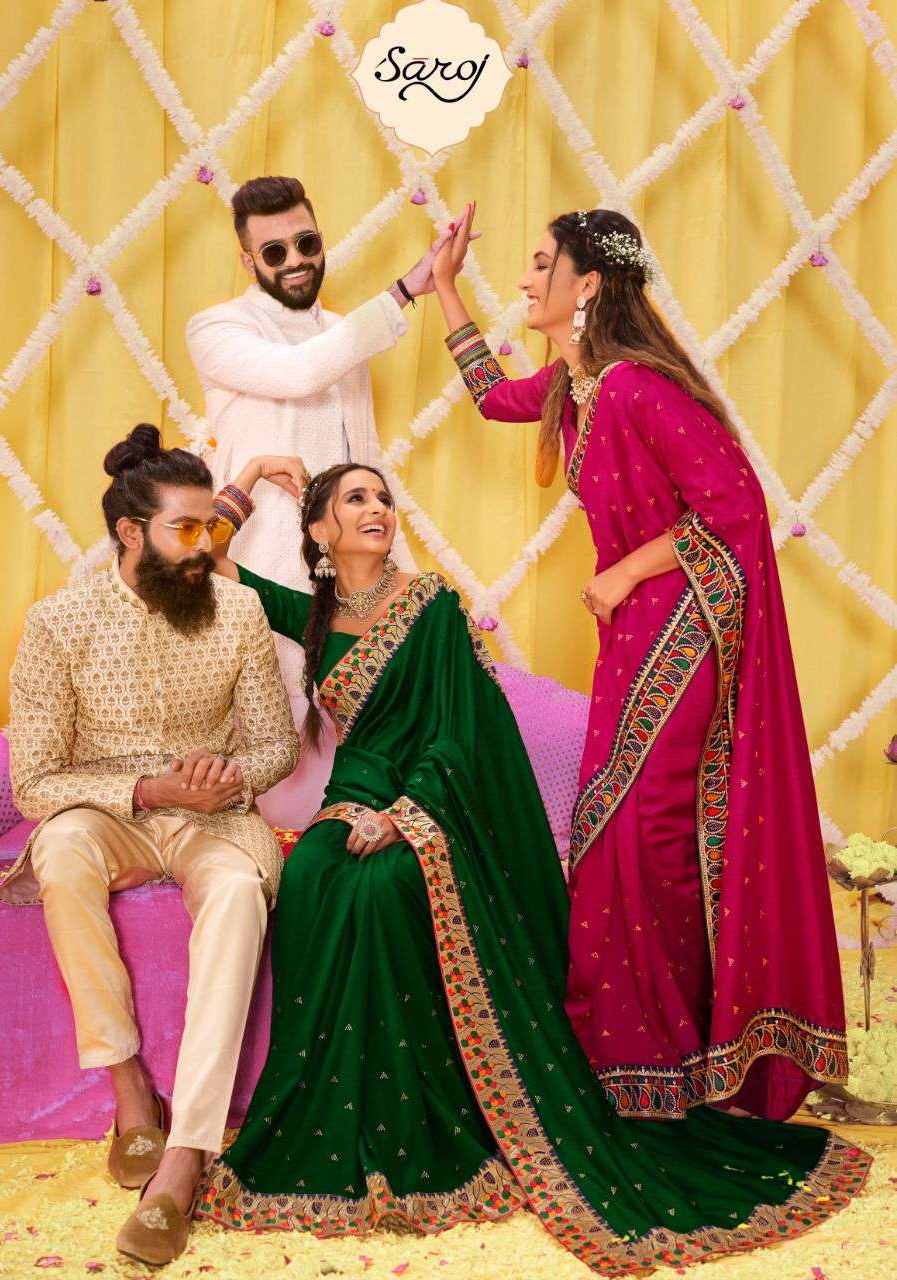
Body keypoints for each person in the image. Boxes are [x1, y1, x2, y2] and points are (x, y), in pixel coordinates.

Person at [194, 457, 868, 1273]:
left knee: (388, 884)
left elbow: (458, 733)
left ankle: (424, 1117)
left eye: (384, 498)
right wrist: (253, 476)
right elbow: (203, 556)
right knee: (312, 876)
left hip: (429, 797)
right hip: (351, 794)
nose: (378, 510)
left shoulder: (430, 604)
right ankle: (342, 1113)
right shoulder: (309, 614)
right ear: (319, 530)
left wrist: (406, 817)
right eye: (355, 500)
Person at [431, 205, 848, 1122]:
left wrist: (624, 569)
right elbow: (492, 396)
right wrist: (445, 287)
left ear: (587, 284)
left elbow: (735, 507)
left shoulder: (634, 388)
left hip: (683, 622)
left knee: (644, 827)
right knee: (616, 831)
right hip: (631, 631)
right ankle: (651, 1056)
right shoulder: (574, 387)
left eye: (541, 262)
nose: (525, 278)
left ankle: (690, 1055)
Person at [0, 425, 301, 1266]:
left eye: (211, 526)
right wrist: (148, 791)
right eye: (186, 528)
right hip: (111, 811)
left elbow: (275, 747)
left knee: (237, 892)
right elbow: (34, 782)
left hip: (214, 818)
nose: (206, 545)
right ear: (131, 533)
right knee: (61, 851)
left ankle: (186, 1153)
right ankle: (128, 1084)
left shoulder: (238, 610)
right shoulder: (59, 622)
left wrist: (228, 776)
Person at [186, 176, 468, 826]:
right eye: (274, 251)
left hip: (347, 570)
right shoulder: (218, 328)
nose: (295, 260)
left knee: (365, 736)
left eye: (305, 242)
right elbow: (299, 372)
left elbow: (361, 453)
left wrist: (392, 561)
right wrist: (405, 290)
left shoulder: (345, 330)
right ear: (248, 261)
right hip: (259, 567)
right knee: (272, 747)